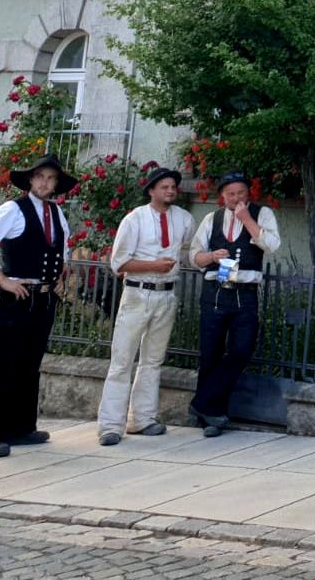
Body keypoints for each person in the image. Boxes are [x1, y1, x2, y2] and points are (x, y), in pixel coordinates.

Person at [0, 154, 77, 458]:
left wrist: (59, 279)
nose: (45, 183)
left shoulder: (56, 213)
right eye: (40, 176)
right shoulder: (12, 209)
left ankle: (21, 427)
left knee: (30, 363)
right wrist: (1, 279)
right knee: (3, 364)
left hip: (44, 298)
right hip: (17, 296)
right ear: (30, 179)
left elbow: (62, 251)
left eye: (51, 178)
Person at [97, 166, 191, 445]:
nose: (170, 191)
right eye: (164, 187)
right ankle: (111, 425)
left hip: (166, 294)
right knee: (122, 359)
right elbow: (119, 263)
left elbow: (187, 252)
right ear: (151, 191)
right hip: (138, 293)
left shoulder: (184, 219)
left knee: (153, 360)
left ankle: (143, 418)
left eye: (173, 186)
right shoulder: (134, 219)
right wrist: (153, 266)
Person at [189, 171, 280, 437]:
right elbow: (194, 255)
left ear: (248, 193)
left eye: (241, 193)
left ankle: (201, 402)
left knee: (242, 349)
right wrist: (211, 257)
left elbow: (272, 245)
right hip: (215, 291)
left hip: (245, 292)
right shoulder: (212, 218)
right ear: (222, 195)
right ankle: (211, 417)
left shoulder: (262, 214)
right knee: (210, 353)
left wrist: (247, 219)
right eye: (230, 194)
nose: (236, 198)